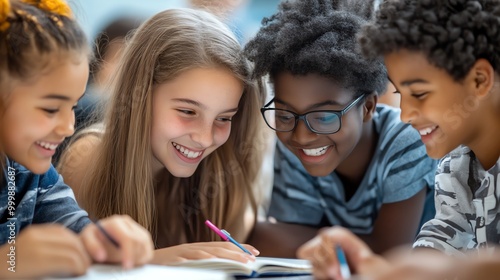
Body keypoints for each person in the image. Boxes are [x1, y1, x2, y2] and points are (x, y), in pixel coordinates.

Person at [298, 0, 500, 279]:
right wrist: (375, 267)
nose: (405, 114)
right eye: (399, 94)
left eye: (418, 93)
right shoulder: (455, 168)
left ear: (479, 80)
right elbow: (436, 250)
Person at [57, 8, 266, 265]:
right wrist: (157, 261)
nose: (204, 138)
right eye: (188, 111)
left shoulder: (222, 174)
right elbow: (70, 264)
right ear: (140, 96)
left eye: (224, 118)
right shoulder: (87, 159)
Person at [242, 0, 437, 258]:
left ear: (367, 107)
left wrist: (310, 243)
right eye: (285, 114)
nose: (301, 135)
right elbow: (271, 240)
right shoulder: (293, 146)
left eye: (324, 117)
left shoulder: (405, 141)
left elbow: (390, 254)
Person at [0, 0, 154, 278]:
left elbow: (77, 232)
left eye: (73, 106)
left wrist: (103, 240)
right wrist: (6, 262)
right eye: (50, 109)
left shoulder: (33, 173)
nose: (69, 127)